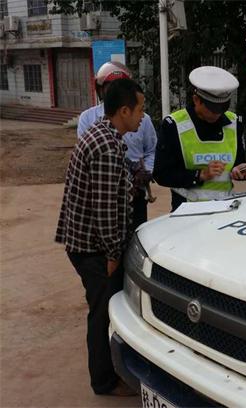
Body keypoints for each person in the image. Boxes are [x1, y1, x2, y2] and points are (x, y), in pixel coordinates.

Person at [55, 78, 144, 397]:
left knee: (102, 308)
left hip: (86, 243)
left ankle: (107, 374)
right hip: (93, 248)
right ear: (124, 111)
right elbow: (106, 210)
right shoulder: (106, 146)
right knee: (102, 312)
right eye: (140, 109)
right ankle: (104, 381)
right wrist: (113, 254)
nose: (142, 117)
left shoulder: (102, 134)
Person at [153, 66, 246, 211]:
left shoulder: (234, 123)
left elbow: (239, 161)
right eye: (213, 109)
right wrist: (200, 174)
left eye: (222, 109)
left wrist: (239, 169)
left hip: (226, 209)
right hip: (188, 212)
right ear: (196, 100)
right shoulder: (173, 126)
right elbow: (161, 174)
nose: (218, 114)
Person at [78, 61, 157, 230]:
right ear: (100, 90)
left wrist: (146, 172)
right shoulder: (88, 119)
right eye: (110, 88)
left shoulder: (143, 119)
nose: (115, 92)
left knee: (137, 235)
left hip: (137, 191)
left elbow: (151, 150)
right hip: (105, 194)